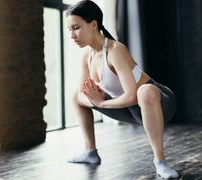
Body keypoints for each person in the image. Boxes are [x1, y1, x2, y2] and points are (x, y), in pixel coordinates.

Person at [65, 0, 179, 179]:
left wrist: (101, 102)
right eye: (69, 29)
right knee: (75, 96)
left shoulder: (115, 50)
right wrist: (94, 97)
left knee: (144, 91)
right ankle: (90, 152)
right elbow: (84, 92)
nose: (71, 35)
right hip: (130, 108)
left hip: (158, 102)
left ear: (93, 24)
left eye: (76, 28)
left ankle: (160, 162)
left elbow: (132, 95)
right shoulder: (86, 55)